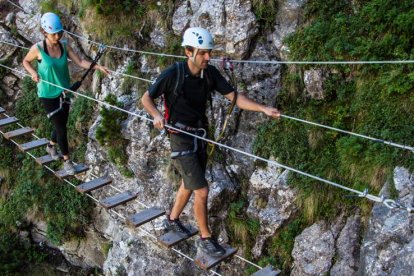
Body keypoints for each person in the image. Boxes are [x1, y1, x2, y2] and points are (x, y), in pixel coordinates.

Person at [142, 27, 280, 257]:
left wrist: (263, 109)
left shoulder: (210, 74)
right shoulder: (173, 74)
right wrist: (156, 115)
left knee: (189, 183)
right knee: (202, 189)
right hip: (179, 137)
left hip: (200, 135)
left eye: (209, 52)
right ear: (188, 51)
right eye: (203, 53)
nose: (208, 57)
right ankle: (206, 238)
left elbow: (235, 98)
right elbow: (146, 98)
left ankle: (172, 219)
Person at [23, 12, 109, 175]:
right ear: (44, 32)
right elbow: (25, 61)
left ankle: (50, 146)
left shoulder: (64, 45)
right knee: (61, 128)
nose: (57, 35)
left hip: (65, 91)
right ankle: (67, 161)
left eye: (59, 32)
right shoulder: (38, 48)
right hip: (48, 94)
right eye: (53, 33)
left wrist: (97, 67)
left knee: (61, 123)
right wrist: (33, 73)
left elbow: (81, 62)